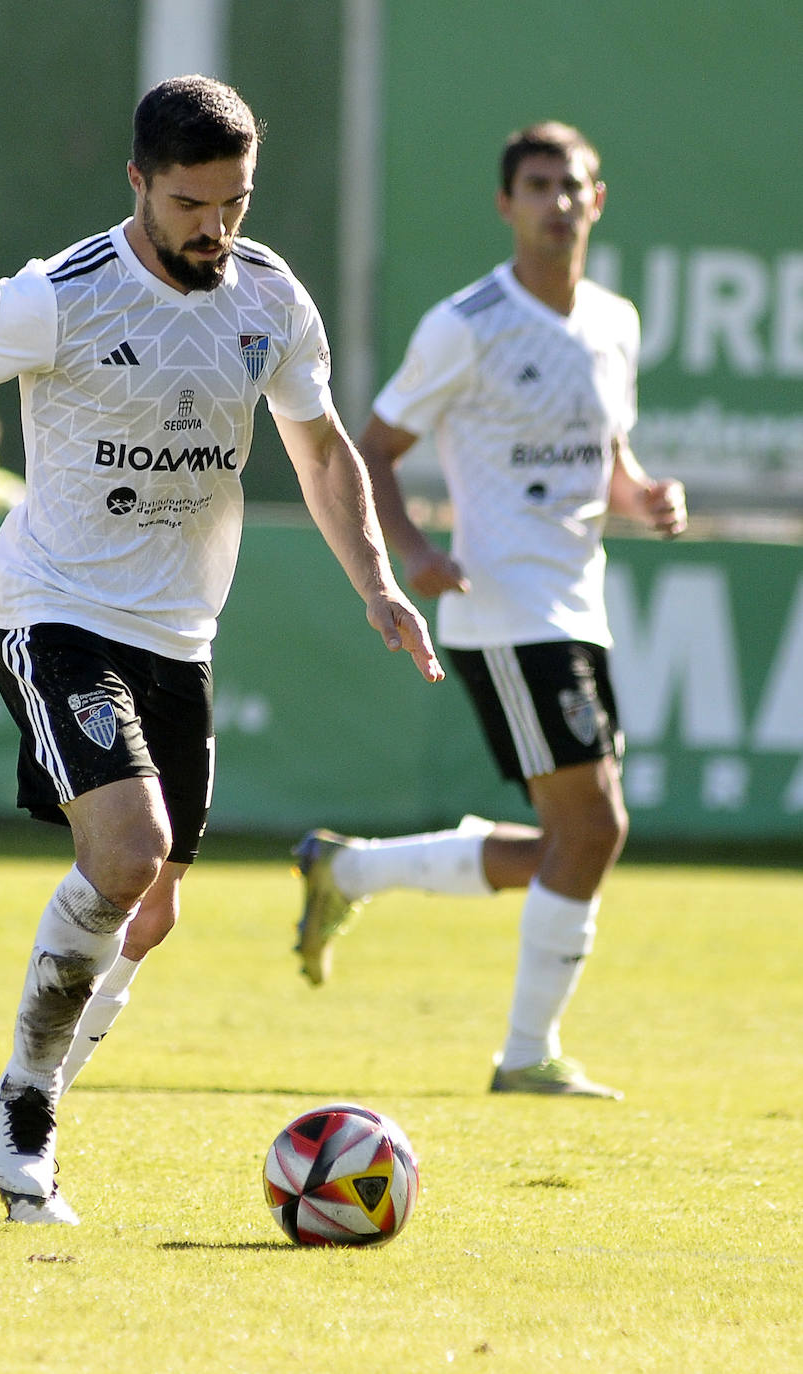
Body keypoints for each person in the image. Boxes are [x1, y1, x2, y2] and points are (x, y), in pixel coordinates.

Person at [0, 75, 441, 1224]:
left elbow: (323, 455)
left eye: (236, 201)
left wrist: (376, 582)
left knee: (152, 907)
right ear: (137, 182)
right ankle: (26, 1123)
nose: (216, 228)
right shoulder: (57, 296)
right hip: (57, 611)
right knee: (129, 850)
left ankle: (10, 1102)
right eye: (190, 203)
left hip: (182, 634)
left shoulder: (269, 295)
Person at [293, 121, 687, 1100]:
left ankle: (351, 872)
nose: (558, 201)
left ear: (600, 201)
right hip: (506, 608)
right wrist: (413, 553)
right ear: (505, 204)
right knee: (594, 830)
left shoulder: (616, 321)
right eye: (538, 185)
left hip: (577, 603)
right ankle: (525, 1057)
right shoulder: (466, 323)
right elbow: (372, 447)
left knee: (570, 841)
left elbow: (612, 455)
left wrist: (644, 497)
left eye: (574, 186)